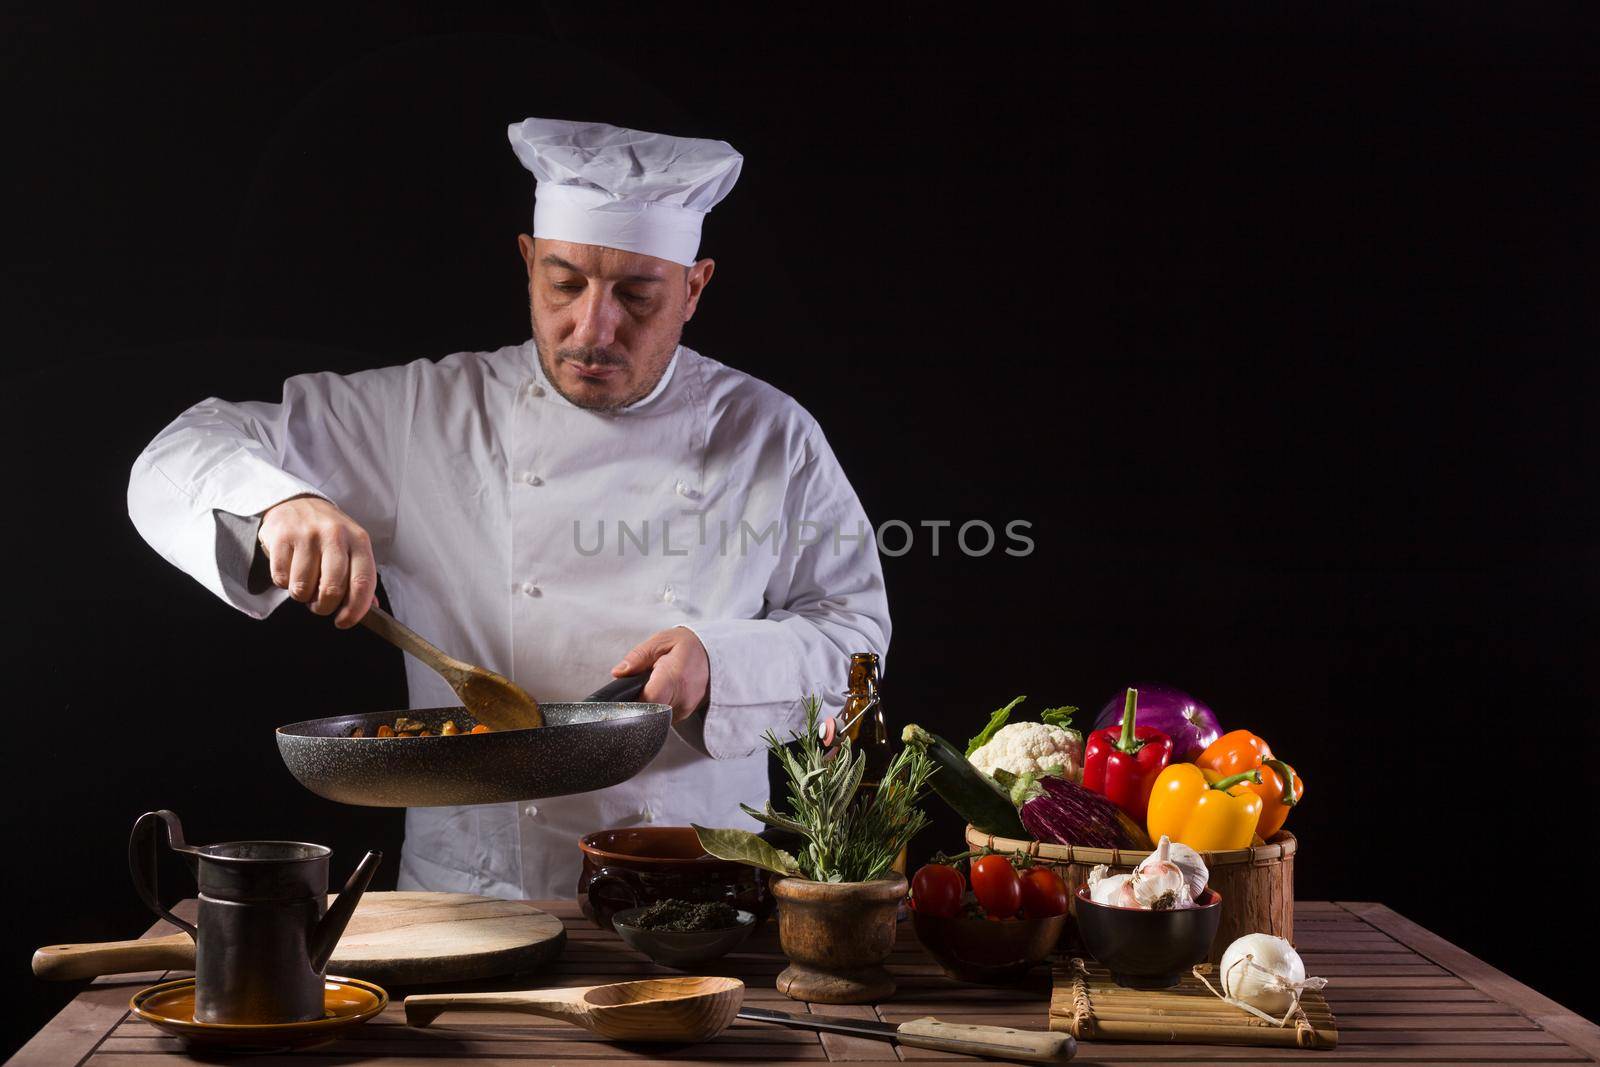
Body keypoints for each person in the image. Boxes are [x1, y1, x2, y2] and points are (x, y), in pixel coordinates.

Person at [127, 117, 890, 899]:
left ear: (694, 288)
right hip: (472, 900)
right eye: (565, 284)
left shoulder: (769, 433)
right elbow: (176, 456)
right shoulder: (424, 416)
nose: (593, 328)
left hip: (696, 897)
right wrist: (280, 501)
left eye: (636, 295)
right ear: (528, 262)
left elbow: (855, 635)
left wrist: (722, 666)